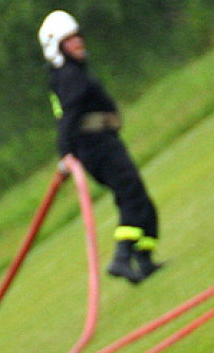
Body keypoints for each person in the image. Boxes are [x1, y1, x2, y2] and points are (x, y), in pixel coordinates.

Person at [38, 10, 162, 284]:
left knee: (139, 199)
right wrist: (65, 153)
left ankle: (144, 258)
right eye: (69, 41)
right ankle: (121, 257)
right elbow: (69, 117)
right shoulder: (70, 77)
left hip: (103, 144)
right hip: (97, 148)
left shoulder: (69, 75)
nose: (78, 43)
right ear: (57, 48)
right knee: (131, 196)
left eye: (77, 38)